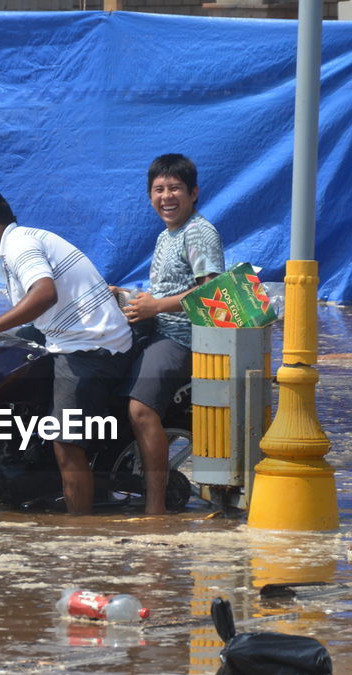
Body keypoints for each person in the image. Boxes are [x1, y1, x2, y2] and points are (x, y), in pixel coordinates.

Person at [0, 188, 131, 516]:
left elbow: (44, 293)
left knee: (64, 442)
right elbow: (36, 312)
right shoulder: (11, 253)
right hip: (65, 337)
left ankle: (77, 534)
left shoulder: (20, 246)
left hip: (91, 346)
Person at [119, 154, 224, 514]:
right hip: (158, 328)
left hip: (183, 338)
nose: (166, 196)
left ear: (193, 193)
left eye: (175, 188)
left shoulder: (197, 232)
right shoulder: (168, 234)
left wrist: (156, 307)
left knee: (140, 409)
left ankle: (155, 506)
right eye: (159, 189)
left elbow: (212, 294)